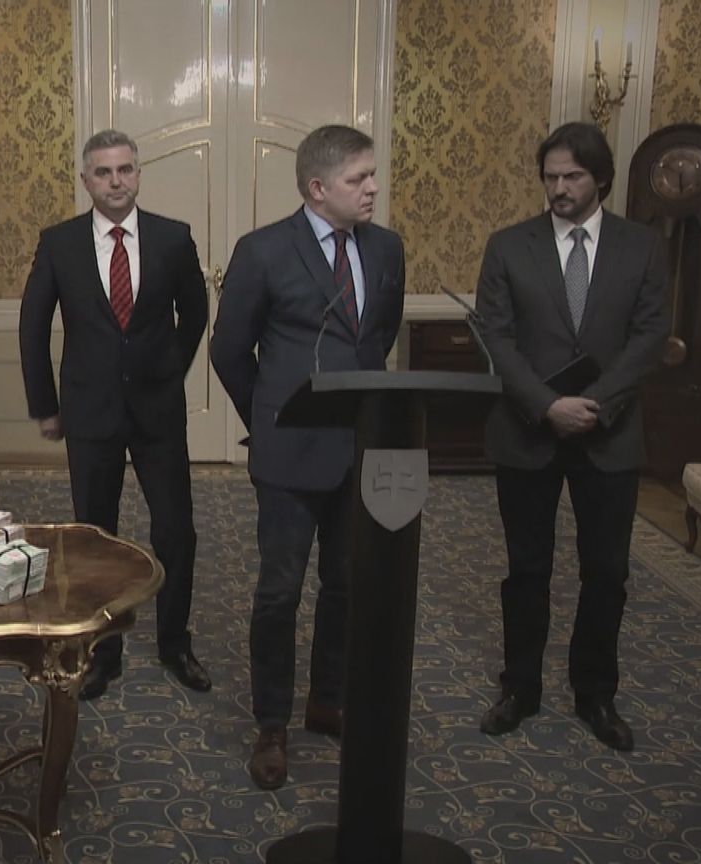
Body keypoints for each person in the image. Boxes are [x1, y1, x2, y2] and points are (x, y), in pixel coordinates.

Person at [210, 124, 405, 790]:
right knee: (280, 592)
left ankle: (328, 700)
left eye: (372, 175)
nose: (372, 188)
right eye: (359, 179)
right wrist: (270, 420)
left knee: (348, 584)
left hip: (363, 450)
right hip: (289, 454)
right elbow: (229, 351)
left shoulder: (386, 248)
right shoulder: (263, 250)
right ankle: (272, 723)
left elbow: (379, 335)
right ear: (318, 188)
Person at [473, 122, 670, 752]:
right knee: (526, 569)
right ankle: (520, 688)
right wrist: (547, 405)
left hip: (609, 435)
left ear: (601, 179)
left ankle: (596, 694)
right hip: (528, 431)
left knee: (606, 572)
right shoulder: (509, 247)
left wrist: (597, 405)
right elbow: (495, 338)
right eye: (550, 176)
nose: (559, 188)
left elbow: (649, 337)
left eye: (573, 177)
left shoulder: (642, 248)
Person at [19, 129, 211, 701]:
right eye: (103, 172)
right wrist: (46, 407)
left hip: (158, 412)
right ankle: (103, 653)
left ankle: (175, 643)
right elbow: (32, 327)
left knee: (176, 530)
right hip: (90, 411)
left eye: (125, 169)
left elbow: (195, 313)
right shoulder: (59, 244)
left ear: (138, 173)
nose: (116, 181)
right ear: (87, 181)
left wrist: (170, 369)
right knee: (95, 535)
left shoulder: (174, 238)